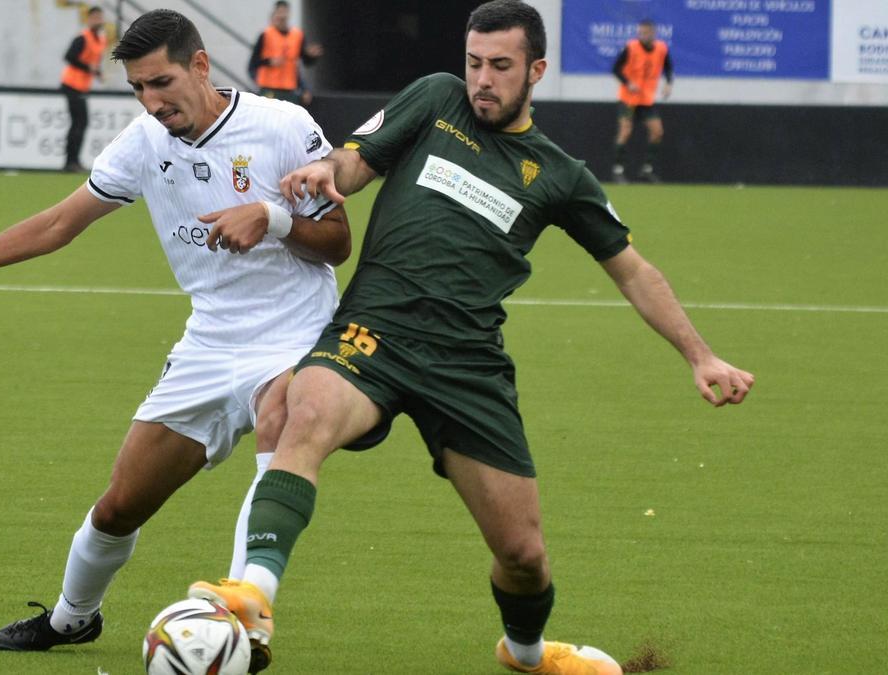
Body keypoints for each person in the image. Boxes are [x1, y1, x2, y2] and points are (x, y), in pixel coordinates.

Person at [189, 2, 753, 674]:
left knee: (523, 554)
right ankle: (254, 594)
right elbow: (353, 165)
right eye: (475, 63)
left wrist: (701, 354)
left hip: (466, 364)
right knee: (301, 410)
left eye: (501, 66)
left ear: (536, 70)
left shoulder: (560, 175)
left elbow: (634, 272)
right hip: (374, 331)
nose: (483, 79)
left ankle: (527, 653)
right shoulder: (435, 100)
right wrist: (324, 174)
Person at [0, 9, 350, 660]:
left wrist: (273, 218)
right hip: (210, 341)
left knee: (281, 416)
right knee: (120, 505)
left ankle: (245, 614)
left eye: (162, 82)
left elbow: (338, 244)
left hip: (296, 331)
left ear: (200, 66)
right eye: (138, 88)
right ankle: (72, 617)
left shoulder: (283, 127)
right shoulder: (144, 144)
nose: (152, 101)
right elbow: (57, 224)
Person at [611, 18, 673, 183]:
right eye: (641, 32)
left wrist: (668, 83)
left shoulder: (661, 48)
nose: (644, 35)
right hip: (629, 98)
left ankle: (648, 168)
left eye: (647, 32)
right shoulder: (631, 47)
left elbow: (668, 67)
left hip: (646, 99)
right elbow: (615, 68)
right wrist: (628, 83)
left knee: (657, 131)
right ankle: (618, 170)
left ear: (653, 33)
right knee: (625, 131)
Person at [248, 0, 322, 106]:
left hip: (289, 89)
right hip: (269, 88)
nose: (282, 16)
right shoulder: (265, 35)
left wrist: (311, 56)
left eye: (285, 12)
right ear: (275, 13)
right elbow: (253, 63)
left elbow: (304, 62)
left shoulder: (297, 35)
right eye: (280, 12)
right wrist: (269, 62)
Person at [60, 4, 107, 173]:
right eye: (95, 17)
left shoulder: (100, 39)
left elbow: (93, 62)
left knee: (81, 123)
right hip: (72, 84)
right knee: (78, 123)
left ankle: (73, 161)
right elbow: (69, 57)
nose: (98, 20)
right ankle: (70, 161)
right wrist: (89, 69)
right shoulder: (82, 37)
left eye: (100, 17)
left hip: (82, 86)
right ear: (88, 20)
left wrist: (97, 73)